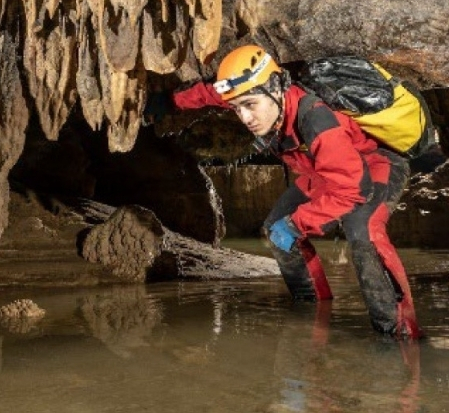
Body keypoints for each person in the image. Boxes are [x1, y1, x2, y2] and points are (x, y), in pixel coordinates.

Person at [148, 44, 421, 339]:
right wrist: (170, 101)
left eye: (250, 106)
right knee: (275, 229)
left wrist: (296, 224)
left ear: (276, 89)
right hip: (321, 168)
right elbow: (212, 93)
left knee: (363, 232)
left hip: (374, 161)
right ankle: (312, 307)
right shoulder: (259, 94)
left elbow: (349, 192)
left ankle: (398, 332)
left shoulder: (316, 119)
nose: (244, 117)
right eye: (237, 108)